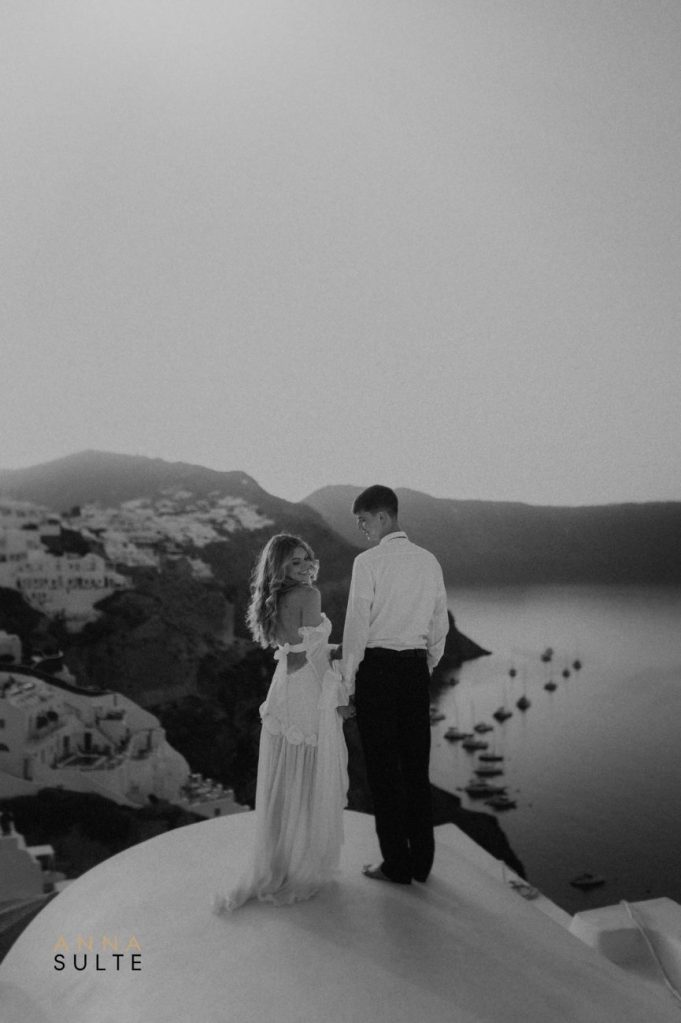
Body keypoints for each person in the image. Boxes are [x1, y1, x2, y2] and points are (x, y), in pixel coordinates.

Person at [214, 534, 350, 911]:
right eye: (295, 562)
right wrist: (339, 695)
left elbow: (294, 651)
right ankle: (300, 864)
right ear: (280, 567)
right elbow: (311, 657)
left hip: (281, 690)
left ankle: (280, 862)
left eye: (307, 559)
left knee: (286, 776)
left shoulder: (272, 600)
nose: (305, 567)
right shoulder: (309, 595)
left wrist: (335, 651)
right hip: (306, 689)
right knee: (307, 778)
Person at [342, 485, 449, 885]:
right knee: (416, 769)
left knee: (384, 772)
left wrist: (348, 683)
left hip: (377, 672)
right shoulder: (429, 561)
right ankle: (422, 862)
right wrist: (426, 665)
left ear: (383, 517)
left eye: (364, 521)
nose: (362, 529)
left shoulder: (367, 563)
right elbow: (439, 623)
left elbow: (356, 628)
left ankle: (396, 866)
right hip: (414, 671)